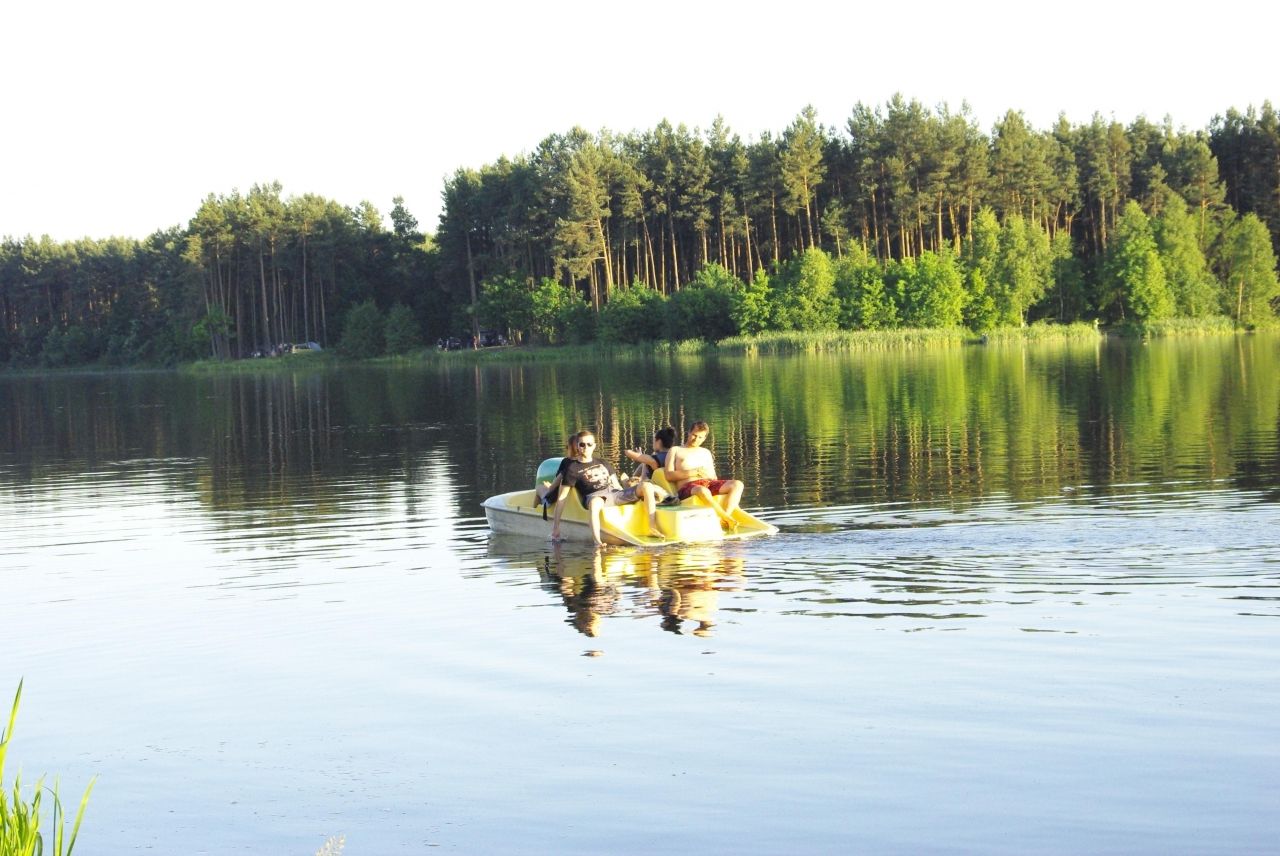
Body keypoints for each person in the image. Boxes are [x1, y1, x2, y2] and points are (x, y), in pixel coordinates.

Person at [550, 430, 671, 545]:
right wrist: (556, 528)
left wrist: (629, 494)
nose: (585, 447)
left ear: (594, 446)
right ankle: (597, 541)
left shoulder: (603, 462)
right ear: (577, 446)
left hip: (614, 493)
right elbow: (562, 498)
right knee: (595, 503)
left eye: (589, 444)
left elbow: (616, 485)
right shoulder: (572, 469)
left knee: (647, 486)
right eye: (582, 444)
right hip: (595, 496)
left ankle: (652, 527)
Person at [663, 420, 745, 530]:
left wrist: (709, 477)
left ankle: (724, 518)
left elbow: (714, 477)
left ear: (705, 438)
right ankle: (726, 518)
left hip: (708, 483)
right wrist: (693, 472)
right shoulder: (676, 450)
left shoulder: (706, 452)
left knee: (737, 484)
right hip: (688, 487)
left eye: (700, 437)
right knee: (702, 490)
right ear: (688, 433)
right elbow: (668, 475)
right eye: (694, 435)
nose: (696, 439)